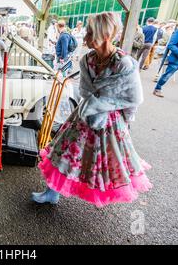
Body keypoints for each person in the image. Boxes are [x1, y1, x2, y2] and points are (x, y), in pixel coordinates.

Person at [31, 12, 152, 207]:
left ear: (105, 35)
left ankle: (95, 192)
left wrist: (127, 123)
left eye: (90, 33)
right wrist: (93, 105)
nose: (85, 38)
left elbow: (133, 99)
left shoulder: (125, 64)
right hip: (84, 115)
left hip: (110, 121)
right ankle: (51, 192)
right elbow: (85, 91)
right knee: (63, 154)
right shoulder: (87, 59)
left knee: (104, 165)